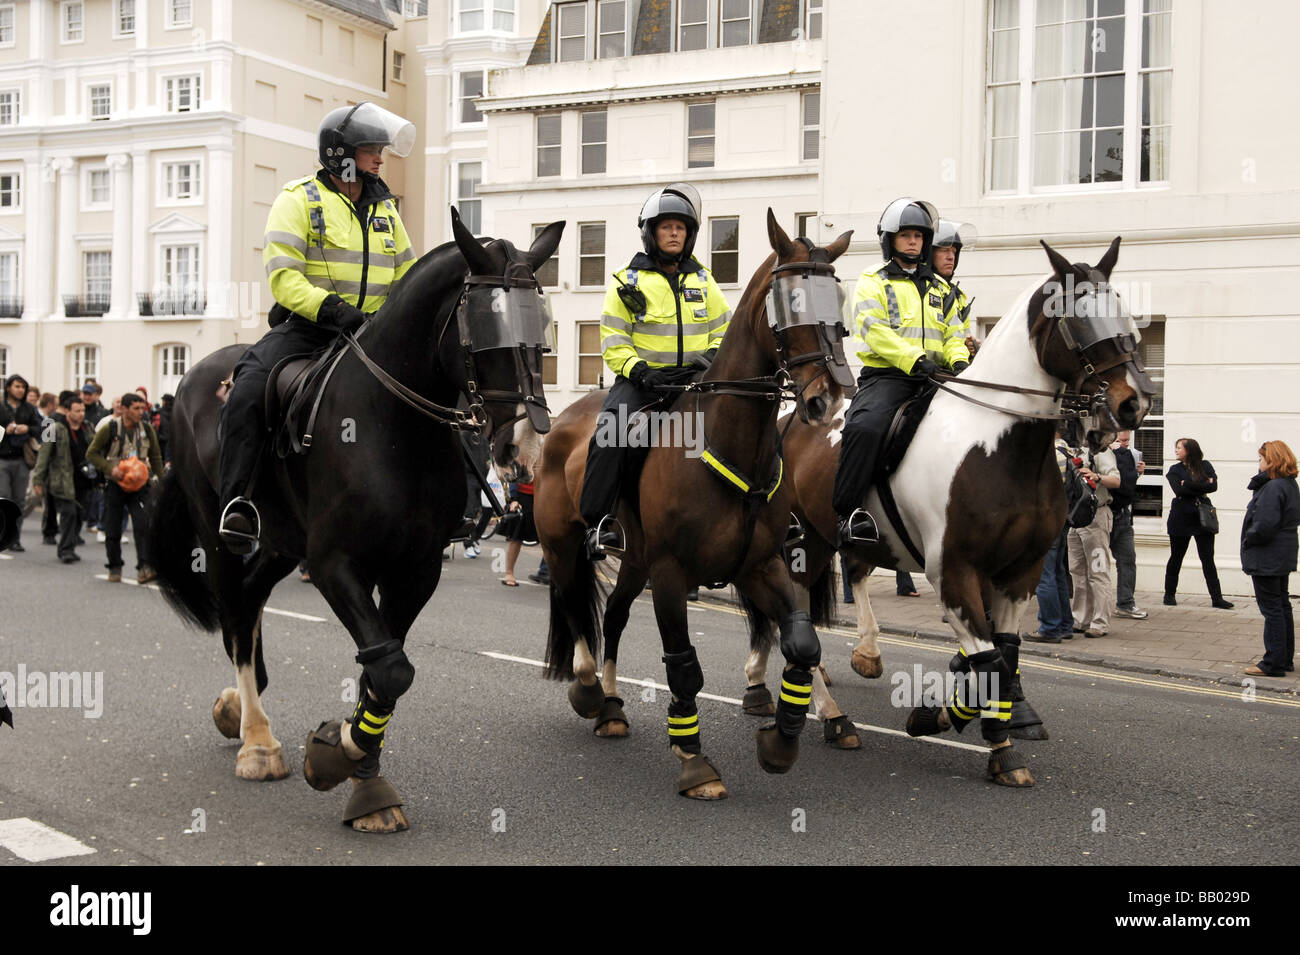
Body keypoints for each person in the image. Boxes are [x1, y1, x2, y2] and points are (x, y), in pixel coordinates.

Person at [218, 102, 417, 553]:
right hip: (312, 329)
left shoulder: (387, 211)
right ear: (340, 153)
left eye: (380, 150)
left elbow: (407, 274)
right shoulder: (298, 199)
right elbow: (284, 277)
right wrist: (332, 310)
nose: (380, 158)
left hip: (372, 335)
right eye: (370, 149)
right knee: (249, 392)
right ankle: (237, 503)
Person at [579, 183, 730, 559]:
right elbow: (613, 340)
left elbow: (723, 328)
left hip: (694, 383)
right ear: (651, 232)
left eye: (681, 227)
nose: (674, 232)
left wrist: (712, 356)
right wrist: (640, 371)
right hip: (643, 384)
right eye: (666, 227)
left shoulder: (703, 280)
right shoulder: (625, 280)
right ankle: (599, 523)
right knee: (610, 435)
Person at [833, 198, 969, 544]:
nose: (913, 242)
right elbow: (874, 331)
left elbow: (953, 333)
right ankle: (848, 513)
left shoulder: (941, 288)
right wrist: (914, 359)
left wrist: (959, 363)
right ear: (890, 240)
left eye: (919, 236)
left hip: (937, 378)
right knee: (865, 427)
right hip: (890, 377)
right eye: (905, 235)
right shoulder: (872, 281)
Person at [86, 393, 164, 583]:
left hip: (140, 485)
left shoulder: (146, 429)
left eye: (142, 408)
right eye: (136, 408)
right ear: (125, 409)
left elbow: (155, 457)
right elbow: (92, 454)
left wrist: (162, 483)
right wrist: (109, 469)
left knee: (142, 525)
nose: (140, 412)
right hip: (116, 485)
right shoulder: (110, 429)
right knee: (113, 528)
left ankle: (144, 567)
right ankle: (114, 566)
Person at [1241, 441, 1299, 676]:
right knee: (1281, 605)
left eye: (1261, 459)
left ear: (1272, 461)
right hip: (1281, 554)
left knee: (1272, 608)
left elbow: (1264, 525)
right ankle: (1283, 659)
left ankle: (1273, 663)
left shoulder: (1274, 488)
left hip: (1267, 556)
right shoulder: (1288, 484)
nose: (1259, 463)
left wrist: (1249, 540)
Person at [1164, 437, 1233, 608]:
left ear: (1190, 450)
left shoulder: (1206, 465)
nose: (1176, 450)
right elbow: (1179, 490)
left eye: (1179, 447)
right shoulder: (1174, 470)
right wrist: (1201, 484)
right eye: (1176, 447)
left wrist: (1187, 483)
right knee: (1176, 557)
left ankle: (1217, 598)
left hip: (1203, 517)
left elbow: (1213, 487)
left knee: (1207, 558)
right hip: (1181, 517)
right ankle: (1169, 594)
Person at [1026, 423, 1076, 643]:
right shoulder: (1069, 452)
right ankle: (1065, 625)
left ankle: (1049, 627)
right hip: (1062, 520)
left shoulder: (1052, 454)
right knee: (1058, 575)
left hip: (1046, 521)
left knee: (1044, 576)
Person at [31, 396, 95, 563]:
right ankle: (65, 549)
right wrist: (38, 479)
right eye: (77, 411)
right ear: (67, 411)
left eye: (83, 411)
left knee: (79, 514)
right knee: (69, 513)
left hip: (82, 479)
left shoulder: (87, 427)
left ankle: (71, 545)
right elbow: (44, 454)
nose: (81, 414)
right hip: (61, 479)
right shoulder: (51, 426)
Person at [1067, 442, 1120, 638]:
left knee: (1097, 571)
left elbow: (1116, 480)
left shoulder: (1100, 451)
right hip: (1074, 519)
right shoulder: (1070, 450)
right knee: (1077, 571)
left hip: (1096, 516)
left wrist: (1096, 476)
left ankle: (1100, 622)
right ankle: (1081, 619)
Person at [0, 374, 42, 551]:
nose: (20, 390)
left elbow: (46, 428)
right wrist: (5, 429)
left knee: (18, 501)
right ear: (9, 387)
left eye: (23, 387)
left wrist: (28, 428)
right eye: (17, 386)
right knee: (5, 498)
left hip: (22, 459)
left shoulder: (30, 409)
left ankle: (14, 537)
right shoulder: (1, 407)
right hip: (2, 458)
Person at [1110, 430, 1147, 619]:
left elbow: (1128, 486)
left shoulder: (1128, 455)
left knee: (1127, 559)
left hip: (1123, 514)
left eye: (1127, 440)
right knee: (1093, 566)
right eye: (1119, 440)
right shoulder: (1105, 454)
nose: (1124, 444)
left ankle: (1125, 603)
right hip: (1103, 514)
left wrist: (1137, 473)